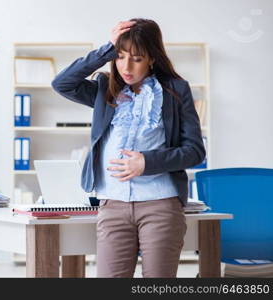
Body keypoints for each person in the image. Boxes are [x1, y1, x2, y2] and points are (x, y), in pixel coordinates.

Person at [51, 18, 206, 278]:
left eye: (136, 58)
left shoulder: (175, 90)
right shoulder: (105, 89)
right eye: (120, 57)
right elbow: (62, 83)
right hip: (112, 204)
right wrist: (107, 48)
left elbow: (195, 151)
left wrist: (147, 162)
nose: (126, 66)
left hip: (160, 204)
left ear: (152, 58)